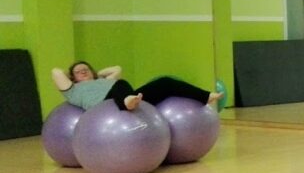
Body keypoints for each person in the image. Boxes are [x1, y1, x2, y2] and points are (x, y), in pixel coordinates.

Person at [52, 61, 222, 111]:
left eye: (86, 69)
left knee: (165, 82)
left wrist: (98, 75)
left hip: (128, 98)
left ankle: (205, 96)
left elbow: (117, 68)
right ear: (72, 78)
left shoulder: (103, 80)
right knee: (121, 83)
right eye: (78, 71)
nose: (83, 71)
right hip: (106, 106)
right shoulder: (73, 91)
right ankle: (127, 102)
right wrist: (73, 77)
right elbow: (55, 72)